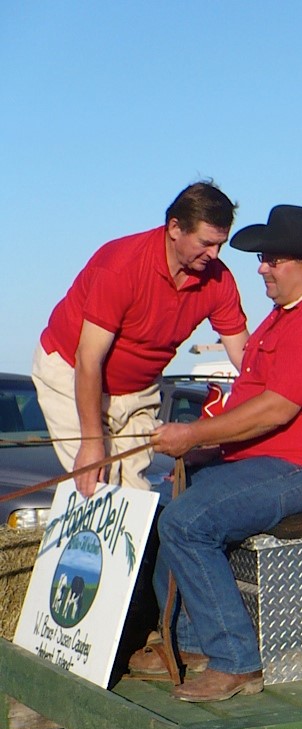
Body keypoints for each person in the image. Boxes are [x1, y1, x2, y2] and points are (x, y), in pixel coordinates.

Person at [136, 205, 302, 703]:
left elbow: (276, 410)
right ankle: (191, 644)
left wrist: (194, 435)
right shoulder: (285, 318)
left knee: (187, 523)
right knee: (173, 507)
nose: (261, 266)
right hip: (269, 463)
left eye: (272, 259)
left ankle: (237, 660)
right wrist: (203, 442)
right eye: (262, 257)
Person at [32, 181, 249, 496]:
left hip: (138, 387)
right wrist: (91, 444)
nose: (214, 254)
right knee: (96, 485)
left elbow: (245, 355)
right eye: (206, 243)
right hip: (72, 371)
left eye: (220, 245)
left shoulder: (218, 280)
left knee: (135, 494)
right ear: (175, 228)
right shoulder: (120, 265)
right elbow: (88, 359)